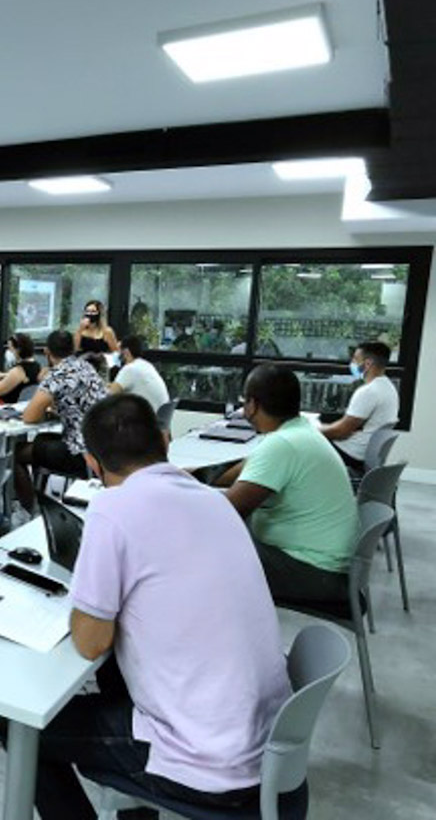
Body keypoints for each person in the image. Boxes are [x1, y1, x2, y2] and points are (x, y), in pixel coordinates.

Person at [36, 393, 290, 819]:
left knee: (26, 729)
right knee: (116, 675)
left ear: (92, 463)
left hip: (205, 764)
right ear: (165, 440)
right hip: (267, 745)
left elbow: (91, 642)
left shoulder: (112, 509)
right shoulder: (216, 500)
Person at [218, 364, 359, 607]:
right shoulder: (301, 431)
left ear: (252, 405)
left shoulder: (281, 445)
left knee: (208, 551)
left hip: (314, 573)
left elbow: (225, 513)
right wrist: (197, 475)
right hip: (325, 564)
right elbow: (247, 469)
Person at [15, 330, 108, 511]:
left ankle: (30, 511)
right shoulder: (85, 367)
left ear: (47, 352)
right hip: (102, 447)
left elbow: (29, 417)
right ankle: (40, 501)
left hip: (80, 454)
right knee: (41, 441)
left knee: (16, 454)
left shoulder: (57, 374)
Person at [320, 341, 399, 472]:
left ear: (367, 364)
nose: (352, 363)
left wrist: (313, 430)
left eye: (356, 359)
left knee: (303, 443)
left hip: (352, 454)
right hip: (364, 451)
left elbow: (341, 431)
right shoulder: (388, 387)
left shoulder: (369, 391)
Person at [109, 334, 170, 411]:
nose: (118, 357)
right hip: (156, 416)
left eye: (119, 353)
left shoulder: (130, 369)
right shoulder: (146, 365)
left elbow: (108, 394)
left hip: (145, 419)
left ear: (126, 352)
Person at [0, 332, 43, 404]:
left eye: (10, 348)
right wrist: (5, 376)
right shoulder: (36, 366)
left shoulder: (18, 371)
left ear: (18, 350)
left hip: (6, 406)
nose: (9, 351)